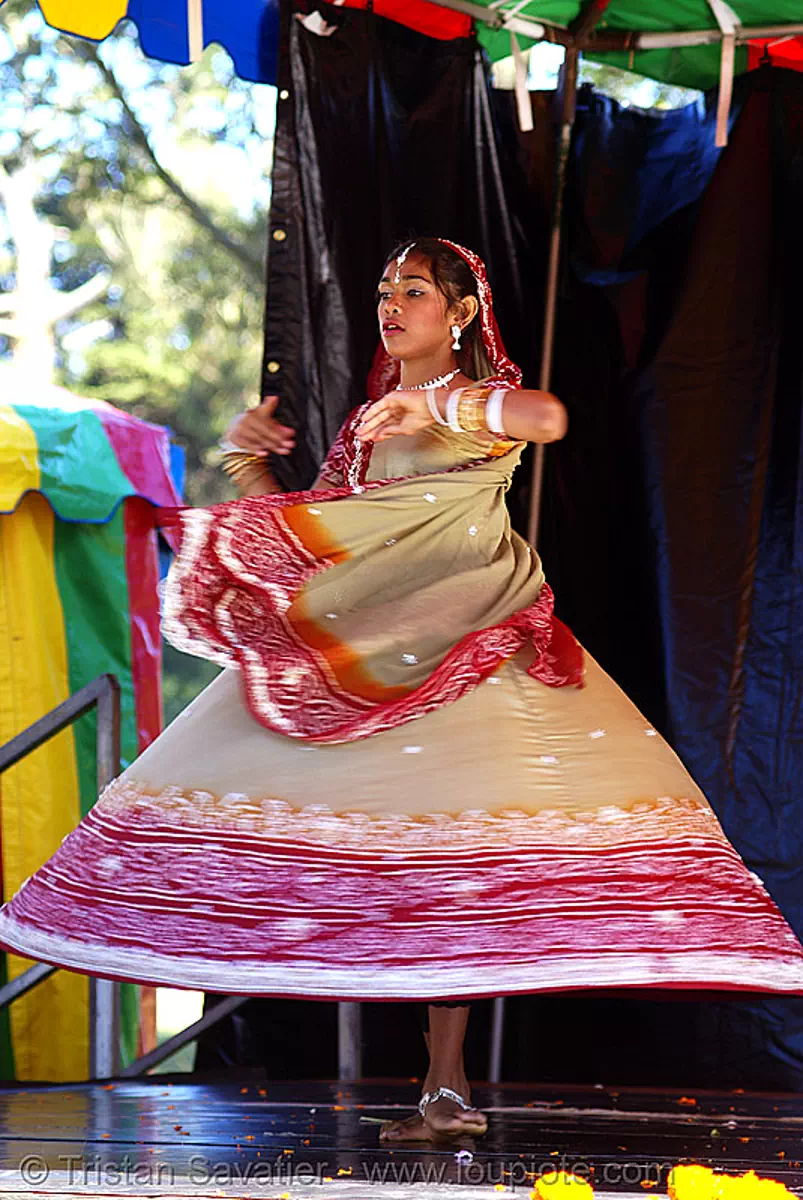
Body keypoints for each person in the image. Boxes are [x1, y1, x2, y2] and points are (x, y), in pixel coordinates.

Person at [2, 238, 803, 1144]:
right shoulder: (373, 417)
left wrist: (443, 401)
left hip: (471, 657)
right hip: (374, 653)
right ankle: (437, 1086)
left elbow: (544, 417)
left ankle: (445, 1085)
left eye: (413, 291)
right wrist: (243, 462)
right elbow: (325, 531)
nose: (391, 306)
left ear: (459, 312)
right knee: (381, 858)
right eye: (384, 290)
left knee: (460, 866)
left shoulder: (464, 401)